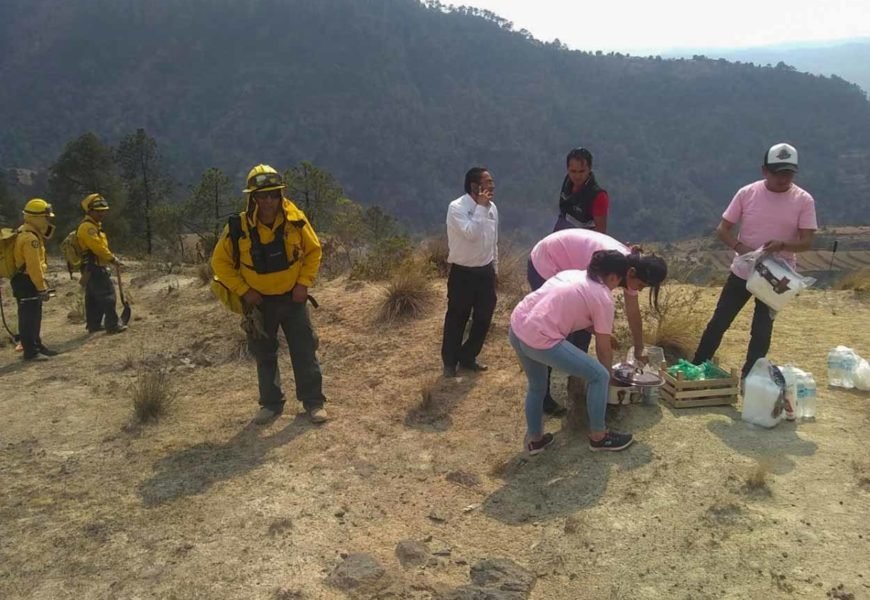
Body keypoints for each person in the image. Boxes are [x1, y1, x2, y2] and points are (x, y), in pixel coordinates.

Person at [211, 164, 328, 425]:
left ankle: (313, 402)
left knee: (304, 350)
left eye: (273, 195)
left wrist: (303, 284)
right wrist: (245, 291)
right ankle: (271, 404)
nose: (268, 201)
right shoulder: (238, 227)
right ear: (252, 198)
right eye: (262, 196)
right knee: (264, 353)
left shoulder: (295, 220)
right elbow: (220, 263)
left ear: (280, 195)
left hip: (293, 298)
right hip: (259, 303)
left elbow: (314, 251)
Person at [693, 143, 817, 380]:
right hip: (743, 270)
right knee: (720, 321)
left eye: (788, 174)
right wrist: (741, 248)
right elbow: (723, 229)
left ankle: (750, 378)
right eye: (778, 173)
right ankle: (697, 366)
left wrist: (782, 245)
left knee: (761, 329)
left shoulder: (803, 200)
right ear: (764, 171)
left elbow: (806, 242)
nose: (783, 179)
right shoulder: (747, 193)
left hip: (778, 277)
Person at [509, 250, 641, 454]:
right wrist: (608, 378)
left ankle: (535, 440)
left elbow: (572, 310)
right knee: (599, 375)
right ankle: (599, 436)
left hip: (517, 327)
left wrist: (599, 331)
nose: (617, 285)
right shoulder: (602, 296)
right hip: (541, 338)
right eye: (618, 280)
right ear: (613, 277)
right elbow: (603, 349)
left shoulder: (572, 274)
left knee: (537, 386)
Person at [528, 228, 667, 415]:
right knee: (554, 331)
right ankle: (542, 394)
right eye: (641, 285)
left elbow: (633, 313)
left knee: (580, 336)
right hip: (547, 260)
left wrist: (639, 347)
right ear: (631, 273)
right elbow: (582, 304)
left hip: (567, 260)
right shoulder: (605, 264)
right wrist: (607, 373)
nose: (640, 290)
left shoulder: (629, 269)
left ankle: (577, 388)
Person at [441, 167, 499, 378]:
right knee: (457, 317)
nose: (492, 185)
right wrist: (481, 208)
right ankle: (450, 361)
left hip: (485, 271)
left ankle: (468, 356)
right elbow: (471, 234)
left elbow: (493, 241)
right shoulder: (456, 207)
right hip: (463, 273)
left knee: (484, 317)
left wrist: (495, 269)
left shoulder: (492, 208)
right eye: (487, 182)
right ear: (475, 186)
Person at [11, 199, 57, 361]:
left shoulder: (23, 232)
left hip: (22, 280)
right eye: (46, 217)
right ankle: (31, 351)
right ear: (37, 218)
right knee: (29, 317)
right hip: (27, 281)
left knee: (33, 315)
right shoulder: (31, 239)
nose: (48, 221)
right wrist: (41, 287)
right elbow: (33, 267)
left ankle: (36, 345)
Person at [76, 193, 127, 334]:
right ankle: (112, 325)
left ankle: (94, 325)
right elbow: (98, 247)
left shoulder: (93, 226)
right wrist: (112, 259)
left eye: (103, 211)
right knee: (108, 294)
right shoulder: (88, 228)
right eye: (98, 211)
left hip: (90, 267)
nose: (102, 214)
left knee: (93, 298)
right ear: (90, 211)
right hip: (94, 266)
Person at [554, 147, 609, 233]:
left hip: (582, 239)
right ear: (567, 169)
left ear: (589, 169)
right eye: (573, 171)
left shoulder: (598, 196)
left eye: (582, 171)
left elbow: (600, 232)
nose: (577, 176)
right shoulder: (567, 182)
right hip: (562, 235)